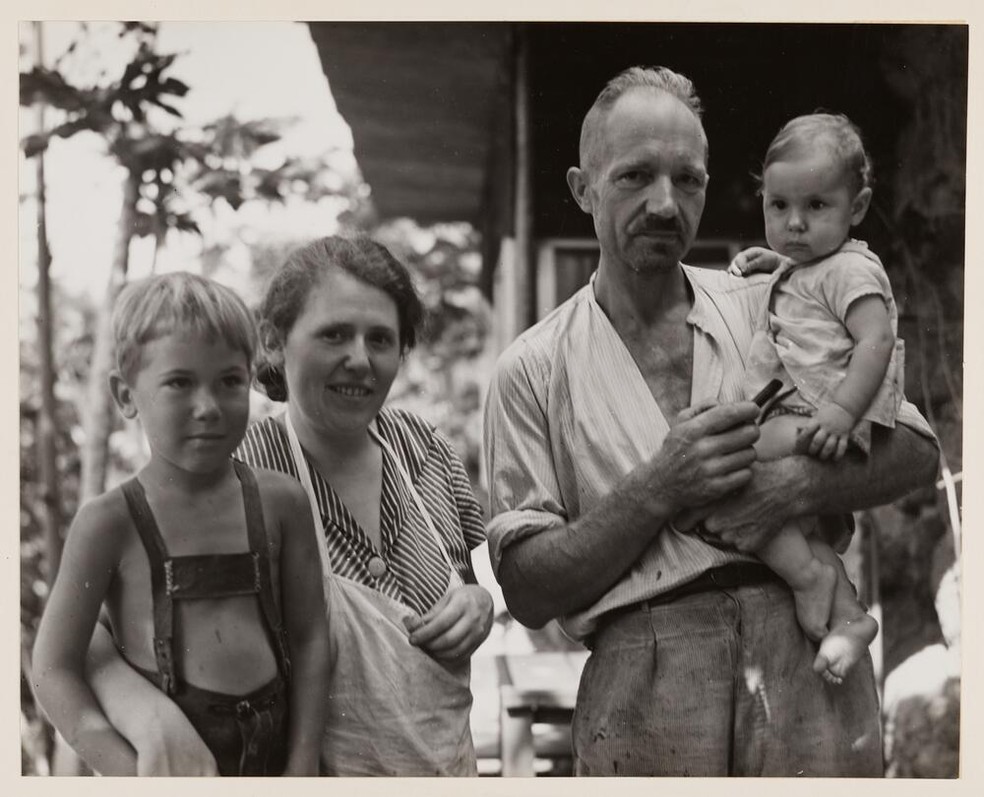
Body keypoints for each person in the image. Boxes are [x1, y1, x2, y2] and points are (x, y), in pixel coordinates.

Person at [483, 66, 940, 776]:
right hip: (642, 675)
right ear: (583, 188)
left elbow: (914, 448)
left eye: (688, 180)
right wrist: (659, 487)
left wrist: (790, 489)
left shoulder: (772, 300)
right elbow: (526, 588)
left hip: (807, 654)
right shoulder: (533, 367)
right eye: (635, 176)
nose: (665, 204)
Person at [84, 235, 495, 776]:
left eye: (380, 339)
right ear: (275, 343)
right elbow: (96, 628)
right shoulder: (239, 470)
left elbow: (469, 578)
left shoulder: (424, 449)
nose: (360, 359)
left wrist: (478, 603)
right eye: (334, 334)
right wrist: (145, 715)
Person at [32, 272, 329, 776]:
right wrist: (127, 771)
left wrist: (302, 767)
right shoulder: (108, 523)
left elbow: (310, 639)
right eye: (179, 383)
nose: (208, 407)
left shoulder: (282, 503)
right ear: (126, 396)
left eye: (229, 381)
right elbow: (52, 669)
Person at [724, 113, 904, 684]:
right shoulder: (819, 265)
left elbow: (875, 340)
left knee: (729, 469)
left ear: (857, 207)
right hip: (805, 411)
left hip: (819, 414)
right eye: (778, 206)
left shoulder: (853, 271)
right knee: (799, 529)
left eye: (816, 206)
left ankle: (807, 579)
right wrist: (778, 264)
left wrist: (842, 412)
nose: (794, 223)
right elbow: (814, 293)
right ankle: (850, 619)